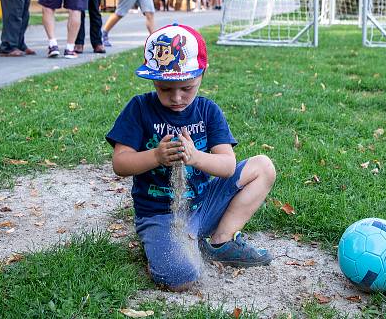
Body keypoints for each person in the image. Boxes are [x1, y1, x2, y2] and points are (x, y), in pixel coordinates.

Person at [106, 23, 276, 291]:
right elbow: (120, 163)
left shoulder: (208, 111)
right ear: (153, 80)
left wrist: (196, 157)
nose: (176, 98)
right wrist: (155, 156)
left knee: (263, 167)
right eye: (165, 89)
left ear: (201, 75)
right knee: (181, 277)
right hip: (159, 215)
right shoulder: (139, 108)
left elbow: (227, 165)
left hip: (202, 204)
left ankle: (221, 241)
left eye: (187, 88)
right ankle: (167, 243)